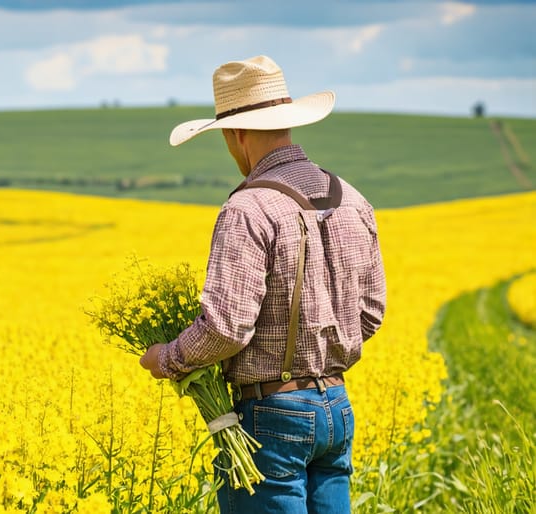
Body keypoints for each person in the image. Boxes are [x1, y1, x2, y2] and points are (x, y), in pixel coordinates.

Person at [139, 55, 386, 514]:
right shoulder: (353, 199)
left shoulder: (248, 209)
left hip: (272, 416)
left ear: (236, 134)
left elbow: (227, 328)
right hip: (336, 407)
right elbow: (370, 313)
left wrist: (167, 358)